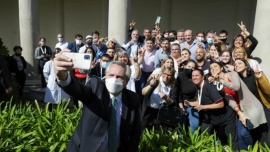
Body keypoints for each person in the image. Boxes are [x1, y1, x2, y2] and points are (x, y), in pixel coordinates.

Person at [54, 54, 141, 152]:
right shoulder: (96, 86)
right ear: (105, 75)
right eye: (111, 75)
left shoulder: (133, 98)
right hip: (85, 148)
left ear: (126, 80)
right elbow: (77, 90)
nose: (114, 79)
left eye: (119, 77)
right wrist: (63, 77)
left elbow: (135, 131)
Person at [209, 61, 268, 150]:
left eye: (215, 66)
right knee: (242, 134)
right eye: (211, 68)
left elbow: (236, 87)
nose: (213, 68)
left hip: (251, 106)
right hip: (240, 110)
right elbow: (229, 99)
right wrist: (239, 113)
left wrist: (221, 80)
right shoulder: (217, 84)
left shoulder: (232, 74)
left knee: (259, 133)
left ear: (221, 68)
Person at [189, 69, 238, 150]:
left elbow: (220, 104)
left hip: (227, 117)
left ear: (203, 77)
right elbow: (201, 101)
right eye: (193, 76)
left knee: (231, 141)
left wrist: (203, 107)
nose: (194, 77)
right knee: (204, 136)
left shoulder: (209, 87)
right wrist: (190, 103)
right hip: (212, 118)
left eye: (197, 75)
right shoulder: (199, 87)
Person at [177, 60, 199, 132]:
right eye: (189, 66)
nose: (190, 69)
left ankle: (192, 140)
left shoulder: (195, 77)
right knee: (182, 124)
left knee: (195, 124)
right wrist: (182, 107)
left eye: (193, 68)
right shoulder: (180, 76)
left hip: (192, 103)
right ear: (185, 66)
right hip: (181, 104)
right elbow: (179, 93)